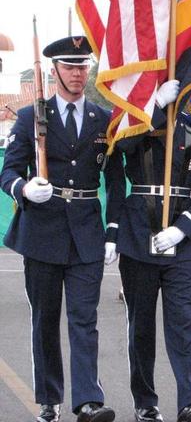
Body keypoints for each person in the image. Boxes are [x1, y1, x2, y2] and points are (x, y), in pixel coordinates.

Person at [0, 36, 122, 422]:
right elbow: (8, 171)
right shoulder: (30, 117)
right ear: (53, 72)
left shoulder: (103, 119)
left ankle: (87, 400)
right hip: (43, 230)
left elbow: (116, 180)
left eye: (82, 66)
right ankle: (49, 398)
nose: (77, 74)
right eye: (69, 67)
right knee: (46, 320)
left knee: (84, 320)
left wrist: (113, 230)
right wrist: (23, 189)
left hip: (86, 231)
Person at [114, 80, 191, 422]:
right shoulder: (136, 120)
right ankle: (145, 402)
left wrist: (181, 230)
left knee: (182, 322)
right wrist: (154, 105)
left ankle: (190, 399)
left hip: (181, 240)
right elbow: (123, 148)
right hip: (138, 234)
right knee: (141, 325)